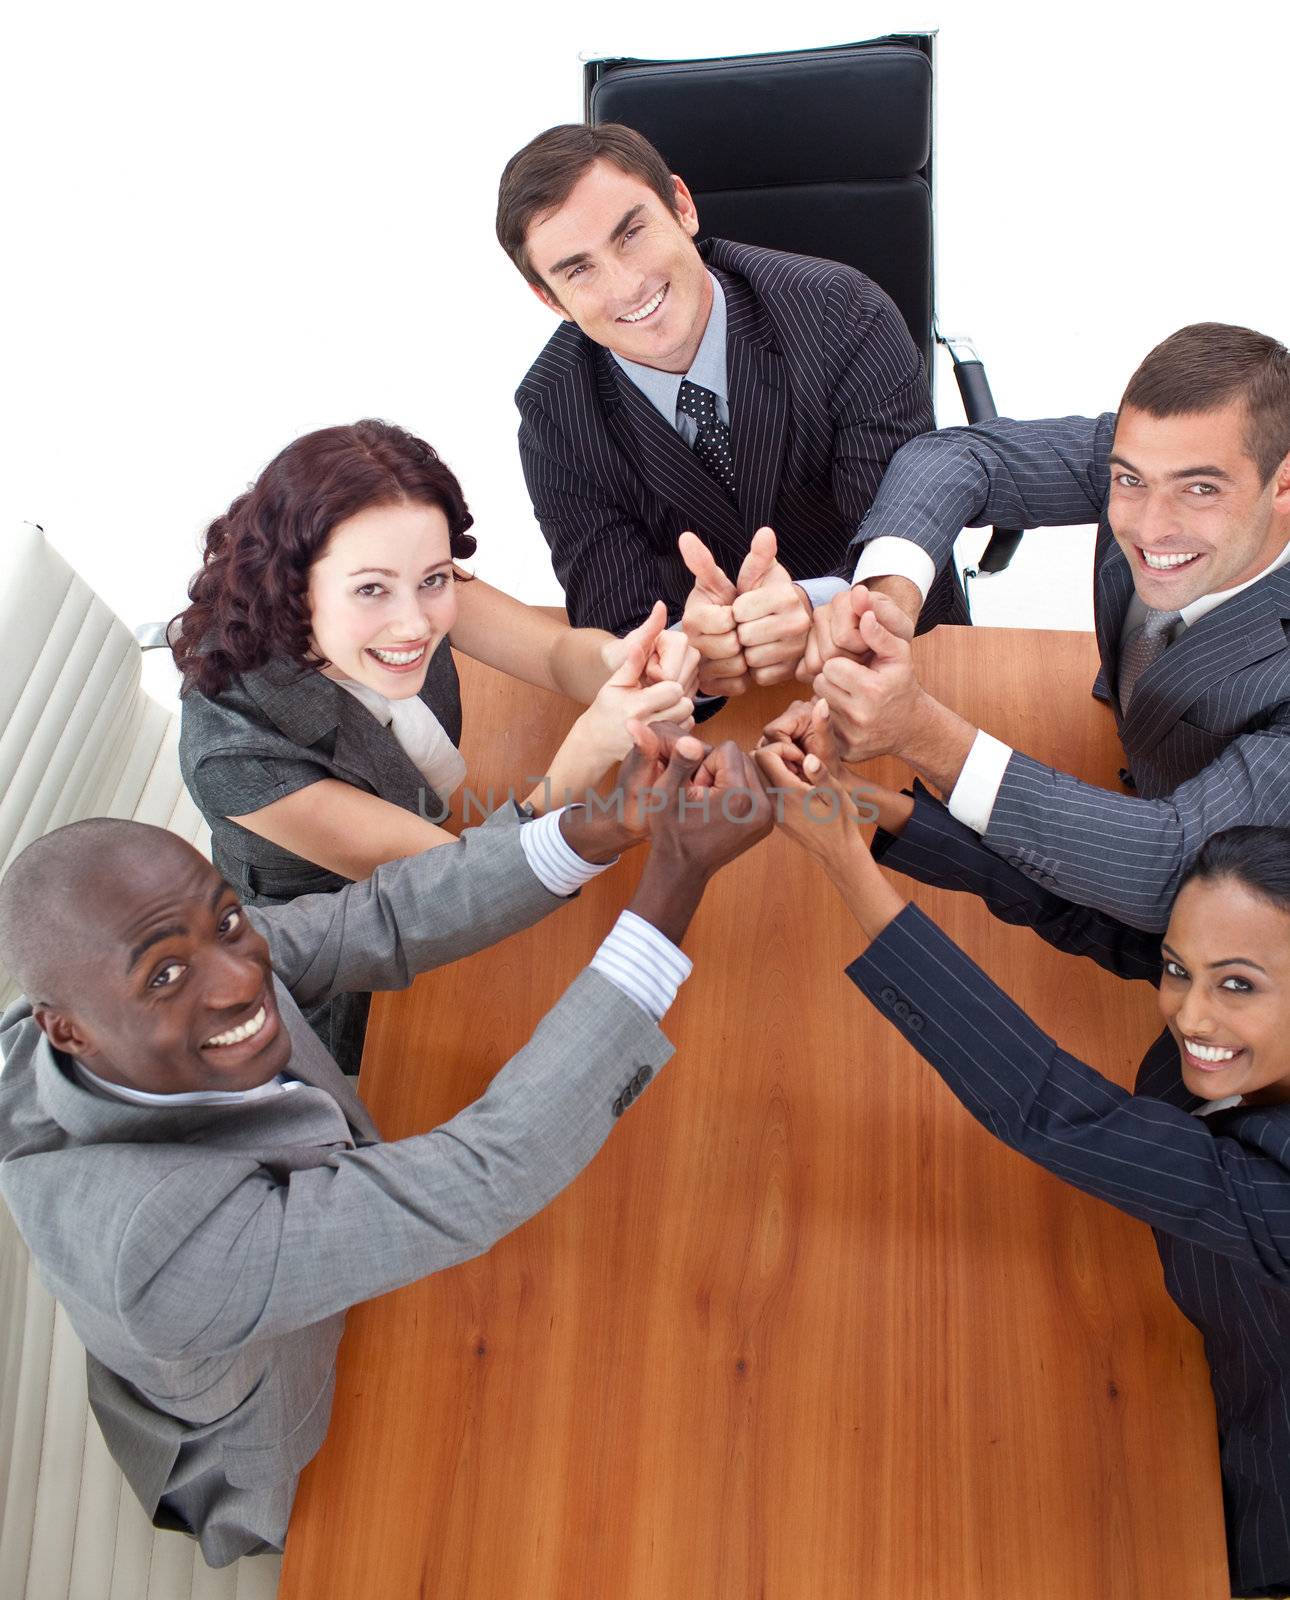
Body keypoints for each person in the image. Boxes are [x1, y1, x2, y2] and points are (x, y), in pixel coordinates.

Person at [0, 729, 772, 1568]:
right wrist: (672, 887)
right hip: (293, 1437)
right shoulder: (159, 1255)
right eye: (164, 977)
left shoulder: (166, 958)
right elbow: (482, 1175)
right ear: (65, 1033)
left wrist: (602, 826)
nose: (238, 976)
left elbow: (378, 920)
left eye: (229, 919)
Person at [757, 704, 1290, 1598]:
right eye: (1179, 971)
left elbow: (1053, 1109)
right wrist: (877, 812)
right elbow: (1081, 914)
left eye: (1237, 986)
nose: (1192, 1016)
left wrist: (849, 874)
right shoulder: (1222, 984)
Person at [175, 420, 699, 1071]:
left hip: (450, 857)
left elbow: (559, 653)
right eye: (371, 589)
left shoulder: (407, 579)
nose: (416, 621)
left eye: (435, 578)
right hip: (352, 978)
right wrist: (588, 750)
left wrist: (626, 660)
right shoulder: (235, 755)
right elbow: (461, 885)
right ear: (293, 580)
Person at [798, 322, 1290, 932]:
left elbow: (1176, 871)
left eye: (1199, 489)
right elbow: (955, 455)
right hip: (1109, 759)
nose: (1149, 527)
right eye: (1130, 480)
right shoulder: (1147, 456)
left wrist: (923, 733)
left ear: (1283, 481)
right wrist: (886, 603)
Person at [495, 121, 965, 695]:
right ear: (550, 299)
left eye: (631, 235)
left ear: (683, 208)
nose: (626, 286)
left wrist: (812, 604)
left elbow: (912, 545)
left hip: (895, 659)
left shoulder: (843, 314)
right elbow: (615, 625)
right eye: (579, 269)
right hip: (711, 703)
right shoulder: (553, 411)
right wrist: (687, 651)